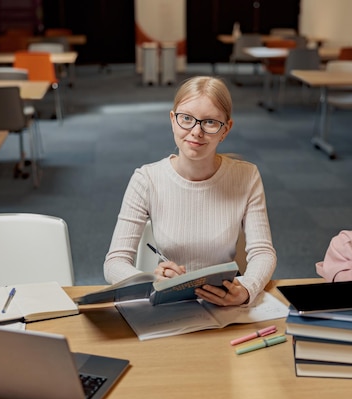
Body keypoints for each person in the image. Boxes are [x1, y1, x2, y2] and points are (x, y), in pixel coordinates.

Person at [103, 76, 276, 306]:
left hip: (223, 304)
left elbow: (263, 252)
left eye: (210, 122)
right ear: (173, 120)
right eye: (187, 119)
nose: (196, 131)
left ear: (226, 129)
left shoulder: (246, 176)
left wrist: (246, 288)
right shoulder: (146, 179)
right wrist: (150, 281)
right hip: (168, 304)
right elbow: (114, 262)